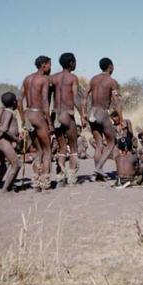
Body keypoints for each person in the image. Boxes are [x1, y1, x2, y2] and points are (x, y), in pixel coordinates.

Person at [83, 57, 123, 181]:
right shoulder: (112, 81)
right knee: (112, 141)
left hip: (92, 112)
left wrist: (83, 114)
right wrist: (120, 119)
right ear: (110, 66)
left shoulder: (93, 79)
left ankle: (98, 174)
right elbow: (117, 103)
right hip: (102, 112)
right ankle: (99, 167)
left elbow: (84, 97)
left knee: (99, 143)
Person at [49, 53, 86, 186]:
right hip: (67, 114)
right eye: (75, 62)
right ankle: (71, 177)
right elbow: (75, 97)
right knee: (74, 147)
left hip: (56, 114)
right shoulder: (72, 78)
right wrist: (82, 114)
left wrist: (49, 117)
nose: (76, 64)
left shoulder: (53, 78)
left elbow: (47, 98)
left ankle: (60, 176)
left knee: (61, 148)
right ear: (71, 63)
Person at [17, 55, 53, 191]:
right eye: (49, 65)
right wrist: (49, 122)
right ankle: (45, 182)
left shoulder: (27, 79)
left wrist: (23, 119)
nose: (50, 68)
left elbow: (19, 100)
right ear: (43, 65)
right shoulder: (43, 79)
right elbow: (45, 101)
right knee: (47, 150)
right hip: (38, 115)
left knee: (38, 151)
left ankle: (35, 181)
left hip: (28, 115)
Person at [0, 92, 23, 192]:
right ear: (14, 102)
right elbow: (5, 129)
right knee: (17, 164)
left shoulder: (2, 111)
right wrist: (16, 139)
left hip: (2, 141)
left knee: (4, 163)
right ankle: (5, 189)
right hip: (4, 142)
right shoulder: (9, 113)